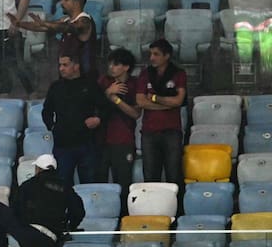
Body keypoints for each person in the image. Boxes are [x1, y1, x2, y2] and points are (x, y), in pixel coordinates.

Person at [43, 54, 109, 187]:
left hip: (86, 144)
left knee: (89, 184)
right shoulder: (56, 87)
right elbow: (46, 111)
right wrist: (53, 127)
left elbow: (105, 107)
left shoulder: (90, 85)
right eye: (60, 65)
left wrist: (98, 119)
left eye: (65, 65)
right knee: (62, 185)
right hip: (63, 145)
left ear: (76, 66)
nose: (61, 68)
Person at [10, 0, 98, 81]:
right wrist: (19, 24)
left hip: (83, 76)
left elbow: (67, 28)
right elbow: (41, 27)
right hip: (67, 75)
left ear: (76, 3)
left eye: (65, 0)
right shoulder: (66, 20)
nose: (61, 3)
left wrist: (43, 22)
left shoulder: (85, 21)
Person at [136, 39, 187, 192]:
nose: (152, 57)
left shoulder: (178, 73)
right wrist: (166, 104)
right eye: (151, 54)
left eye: (156, 54)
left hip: (172, 131)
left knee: (174, 175)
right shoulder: (145, 74)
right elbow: (140, 101)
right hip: (149, 132)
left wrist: (154, 98)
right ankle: (153, 210)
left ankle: (177, 212)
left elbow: (178, 101)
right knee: (150, 175)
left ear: (167, 56)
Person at [96, 48, 141, 201]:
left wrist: (115, 98)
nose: (111, 68)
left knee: (123, 184)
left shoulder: (134, 84)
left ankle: (123, 219)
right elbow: (93, 104)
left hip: (123, 141)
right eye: (110, 64)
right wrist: (107, 92)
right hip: (101, 140)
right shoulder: (103, 82)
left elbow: (135, 113)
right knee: (99, 184)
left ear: (126, 67)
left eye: (116, 64)